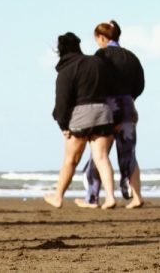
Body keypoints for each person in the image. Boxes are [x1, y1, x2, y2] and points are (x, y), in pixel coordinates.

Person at [44, 32, 117, 210]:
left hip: (80, 116)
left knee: (70, 160)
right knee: (102, 158)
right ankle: (110, 197)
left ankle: (58, 197)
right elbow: (111, 87)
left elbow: (62, 102)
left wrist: (63, 125)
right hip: (103, 113)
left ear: (60, 50)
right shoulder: (97, 62)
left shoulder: (66, 70)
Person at [79, 20, 145, 209]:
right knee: (128, 154)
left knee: (99, 155)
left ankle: (95, 197)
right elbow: (140, 84)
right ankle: (137, 197)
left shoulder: (101, 55)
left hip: (107, 108)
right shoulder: (131, 57)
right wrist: (129, 98)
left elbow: (95, 81)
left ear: (102, 37)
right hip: (128, 107)